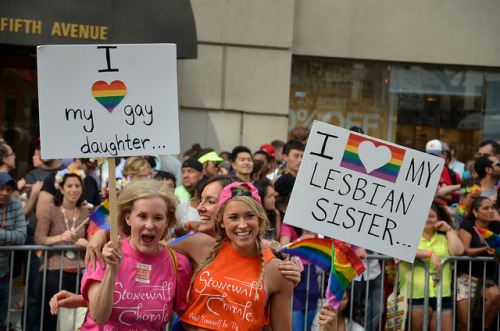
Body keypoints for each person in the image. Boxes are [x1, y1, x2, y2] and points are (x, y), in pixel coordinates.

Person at [78, 179, 192, 329]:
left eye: (158, 218)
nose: (150, 225)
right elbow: (99, 316)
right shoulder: (103, 253)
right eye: (142, 216)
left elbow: (188, 319)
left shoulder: (178, 264)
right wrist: (112, 269)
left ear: (167, 222)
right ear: (128, 218)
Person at [179, 182, 294, 330]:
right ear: (221, 222)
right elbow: (156, 253)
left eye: (249, 216)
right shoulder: (200, 246)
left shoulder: (277, 270)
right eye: (233, 217)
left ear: (259, 219)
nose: (242, 225)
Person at [33, 168, 90, 330]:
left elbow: (91, 238)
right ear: (61, 187)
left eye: (77, 186)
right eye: (69, 186)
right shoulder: (50, 208)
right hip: (54, 270)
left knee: (77, 317)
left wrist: (85, 242)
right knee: (52, 315)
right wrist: (59, 238)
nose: (74, 190)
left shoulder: (85, 211)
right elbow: (39, 238)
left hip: (79, 270)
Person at [398, 202, 464, 331]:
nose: (428, 219)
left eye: (432, 216)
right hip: (415, 295)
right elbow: (400, 250)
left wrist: (448, 229)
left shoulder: (444, 237)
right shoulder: (409, 236)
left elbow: (459, 251)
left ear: (439, 219)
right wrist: (428, 254)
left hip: (442, 294)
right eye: (424, 216)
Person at [457, 196, 500, 331]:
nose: (490, 211)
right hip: (466, 279)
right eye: (485, 208)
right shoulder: (467, 224)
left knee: (496, 295)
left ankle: (484, 328)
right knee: (465, 324)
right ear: (476, 212)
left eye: (492, 208)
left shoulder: (496, 226)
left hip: (486, 279)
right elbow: (465, 250)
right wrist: (485, 249)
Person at [0, 172, 26, 330]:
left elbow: (22, 237)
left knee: (1, 319)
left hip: (4, 274)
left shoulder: (15, 204)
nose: (5, 193)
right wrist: (8, 238)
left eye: (9, 190)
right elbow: (15, 235)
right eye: (1, 188)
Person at [254, 180, 282, 252]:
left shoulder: (276, 213)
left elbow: (276, 239)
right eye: (270, 197)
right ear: (261, 198)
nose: (273, 200)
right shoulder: (252, 216)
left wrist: (275, 245)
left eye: (273, 196)